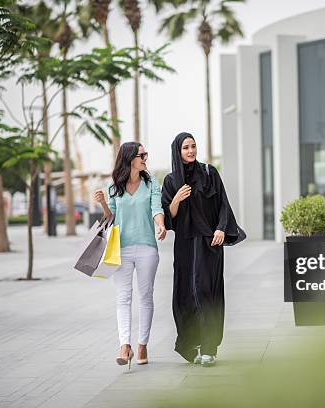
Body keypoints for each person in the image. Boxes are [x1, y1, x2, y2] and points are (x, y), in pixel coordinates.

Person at [161, 132, 242, 366]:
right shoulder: (170, 181)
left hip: (210, 244)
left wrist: (221, 229)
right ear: (178, 151)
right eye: (186, 147)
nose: (191, 151)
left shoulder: (209, 173)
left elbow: (223, 204)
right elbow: (169, 219)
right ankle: (191, 345)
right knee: (186, 294)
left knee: (208, 292)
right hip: (185, 246)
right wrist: (176, 200)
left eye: (193, 146)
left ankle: (209, 347)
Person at [94, 142, 166, 369]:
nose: (145, 157)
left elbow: (157, 208)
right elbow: (111, 218)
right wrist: (103, 203)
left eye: (146, 153)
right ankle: (125, 345)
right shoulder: (114, 186)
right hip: (121, 248)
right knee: (123, 298)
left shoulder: (151, 182)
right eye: (141, 154)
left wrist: (161, 226)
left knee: (145, 296)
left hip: (147, 247)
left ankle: (142, 344)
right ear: (129, 158)